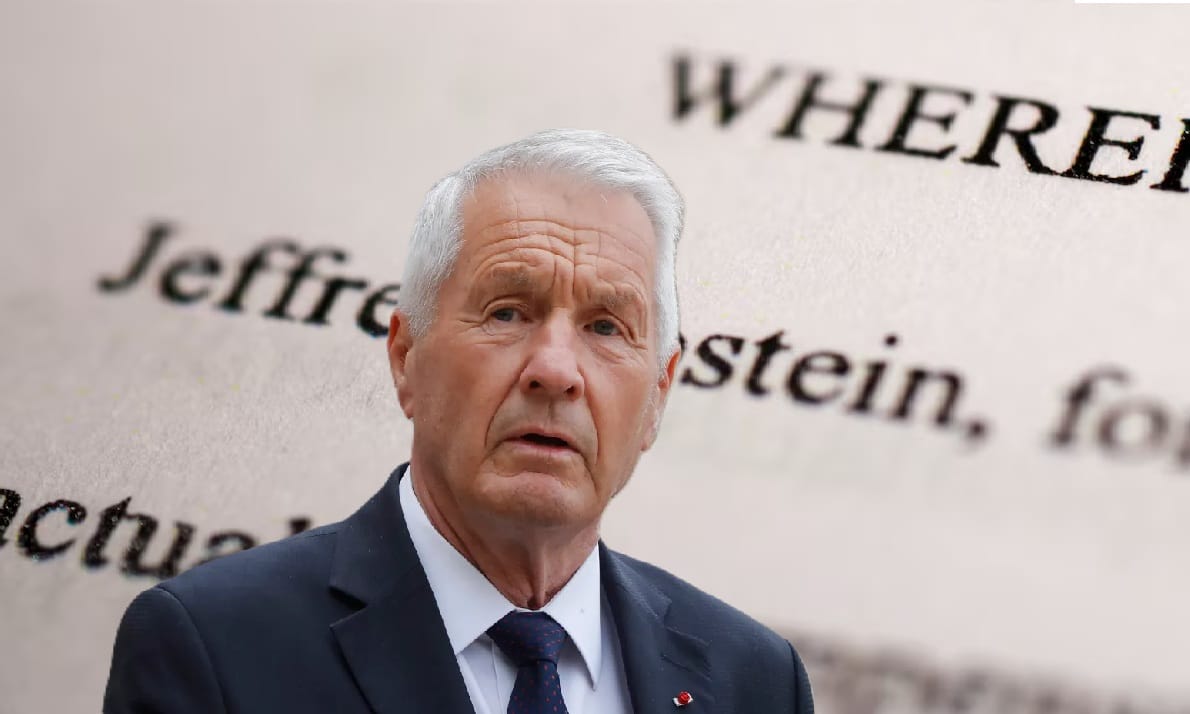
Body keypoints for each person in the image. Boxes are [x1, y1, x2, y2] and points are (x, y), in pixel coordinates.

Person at [103, 129, 814, 713]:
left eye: (605, 326)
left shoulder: (755, 682)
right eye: (508, 312)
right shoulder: (217, 648)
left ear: (658, 394)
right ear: (406, 357)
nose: (555, 370)